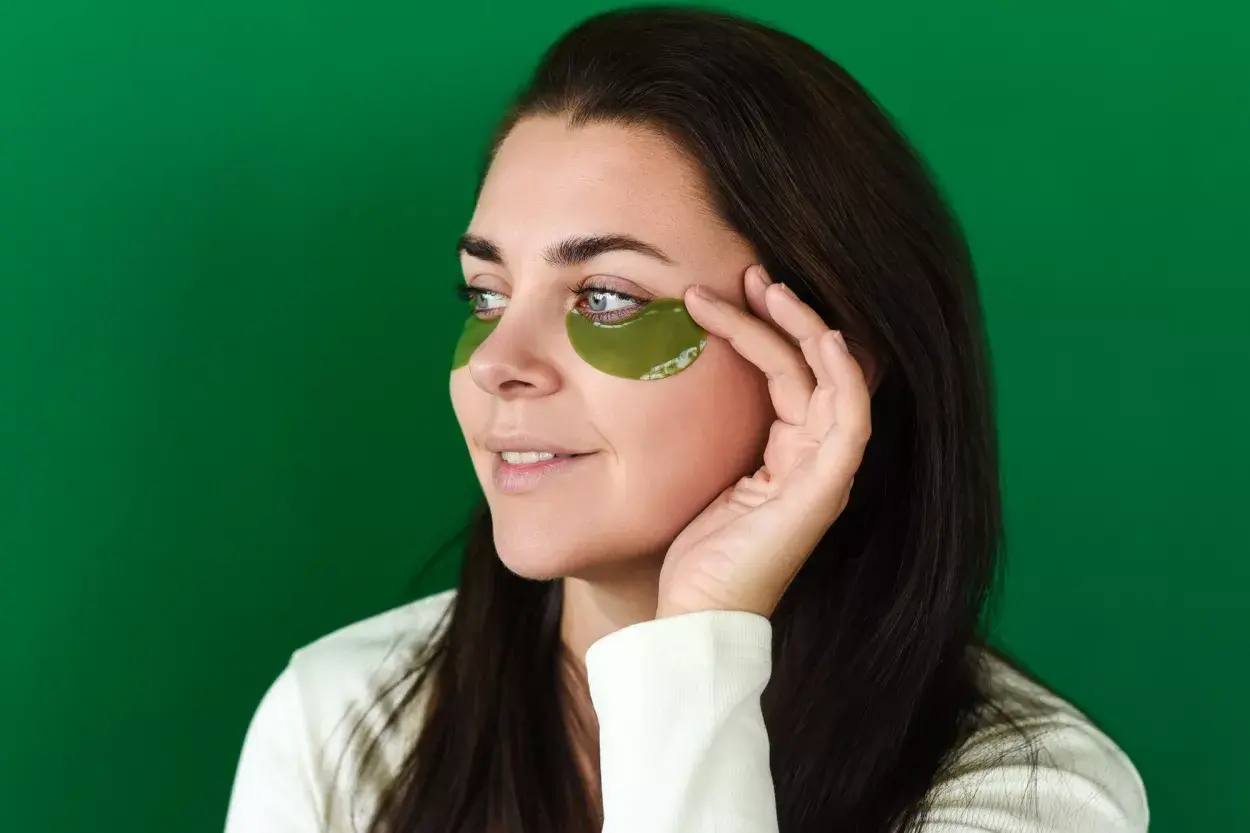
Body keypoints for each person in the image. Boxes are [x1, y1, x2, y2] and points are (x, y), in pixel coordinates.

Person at [223, 7, 1148, 833]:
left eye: (608, 297)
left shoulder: (1031, 794)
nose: (498, 363)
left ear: (829, 361)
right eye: (487, 293)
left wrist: (698, 635)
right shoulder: (339, 722)